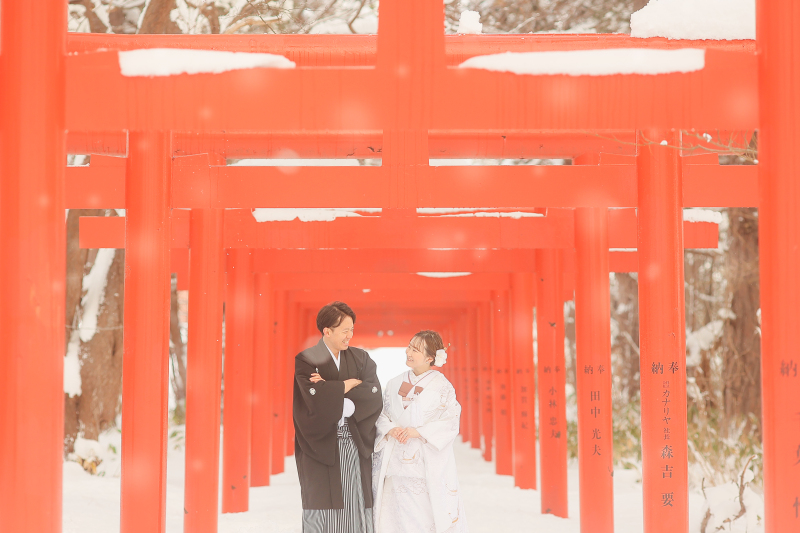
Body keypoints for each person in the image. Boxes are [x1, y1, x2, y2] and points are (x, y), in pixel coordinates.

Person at [293, 301, 383, 533]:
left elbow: (373, 394)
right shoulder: (306, 359)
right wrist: (344, 385)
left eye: (352, 329)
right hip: (319, 443)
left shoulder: (361, 358)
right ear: (327, 331)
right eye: (345, 330)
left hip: (354, 439)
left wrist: (330, 389)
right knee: (320, 501)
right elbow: (312, 399)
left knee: (355, 498)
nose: (350, 336)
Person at [372, 330, 468, 533]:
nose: (409, 352)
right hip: (395, 459)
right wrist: (391, 429)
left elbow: (451, 420)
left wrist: (419, 432)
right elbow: (382, 414)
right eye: (409, 346)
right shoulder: (394, 383)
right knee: (393, 513)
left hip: (424, 461)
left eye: (415, 349)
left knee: (422, 515)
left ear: (430, 358)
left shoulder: (442, 386)